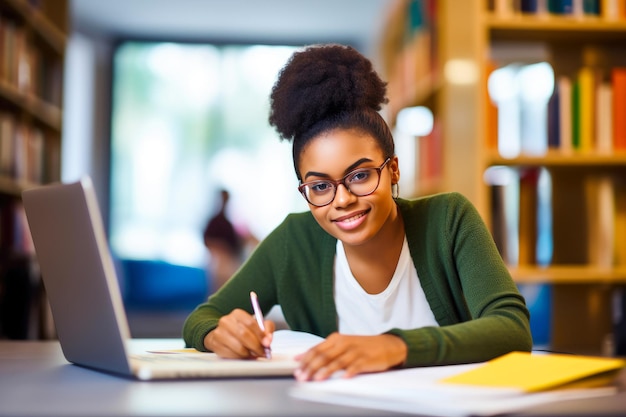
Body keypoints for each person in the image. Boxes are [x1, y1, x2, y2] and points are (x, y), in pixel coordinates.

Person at [183, 44, 532, 382]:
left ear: (393, 169)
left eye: (360, 175)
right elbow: (202, 318)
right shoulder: (294, 240)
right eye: (320, 186)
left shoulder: (448, 220)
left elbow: (512, 330)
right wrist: (218, 334)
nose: (343, 199)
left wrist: (393, 347)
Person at [203, 188, 244, 293]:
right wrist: (221, 247)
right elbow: (207, 240)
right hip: (218, 262)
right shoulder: (214, 222)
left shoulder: (228, 224)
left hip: (229, 263)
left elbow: (235, 245)